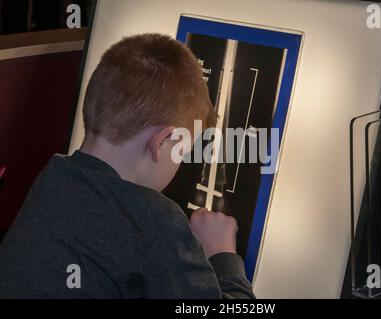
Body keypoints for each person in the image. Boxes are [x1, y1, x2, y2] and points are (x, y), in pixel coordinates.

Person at [0, 33, 255, 299]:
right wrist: (223, 256)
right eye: (183, 152)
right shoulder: (156, 221)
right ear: (163, 141)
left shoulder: (52, 177)